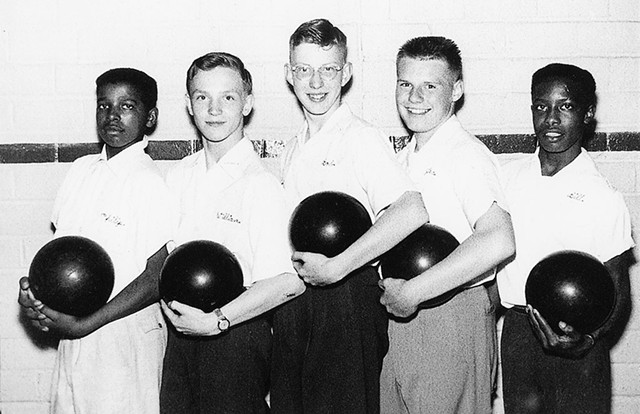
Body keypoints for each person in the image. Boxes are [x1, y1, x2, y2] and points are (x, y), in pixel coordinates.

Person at [270, 19, 429, 414]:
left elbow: (411, 210)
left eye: (328, 69)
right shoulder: (292, 148)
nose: (316, 82)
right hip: (298, 300)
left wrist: (340, 266)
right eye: (304, 69)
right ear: (289, 75)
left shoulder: (360, 136)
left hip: (345, 303)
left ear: (347, 73)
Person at [18, 68, 178, 413]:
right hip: (74, 337)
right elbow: (60, 258)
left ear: (150, 118)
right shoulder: (81, 170)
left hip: (123, 339)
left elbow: (156, 278)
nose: (113, 116)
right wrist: (34, 295)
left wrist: (88, 324)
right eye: (104, 106)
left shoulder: (150, 183)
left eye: (127, 106)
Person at [158, 52, 305, 414]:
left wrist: (217, 321)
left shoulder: (261, 185)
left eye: (228, 97)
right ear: (189, 105)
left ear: (247, 104)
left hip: (235, 336)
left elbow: (289, 282)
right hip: (180, 336)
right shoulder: (178, 176)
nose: (214, 108)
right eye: (202, 97)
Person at [378, 36, 515, 414]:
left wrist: (416, 292)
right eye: (406, 84)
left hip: (447, 316)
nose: (415, 97)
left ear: (455, 90)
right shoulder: (404, 157)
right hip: (402, 316)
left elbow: (499, 239)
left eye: (430, 86)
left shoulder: (465, 155)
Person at [497, 63, 634, 414]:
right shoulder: (507, 179)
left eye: (566, 106)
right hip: (519, 331)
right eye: (541, 107)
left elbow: (618, 289)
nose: (551, 119)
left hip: (579, 341)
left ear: (588, 114)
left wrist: (589, 339)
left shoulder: (603, 196)